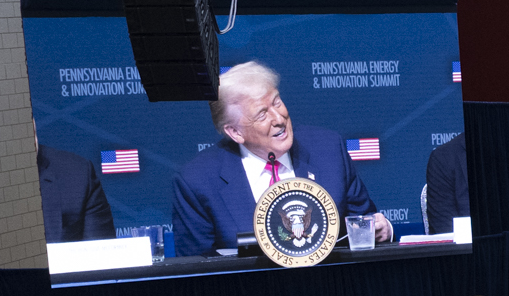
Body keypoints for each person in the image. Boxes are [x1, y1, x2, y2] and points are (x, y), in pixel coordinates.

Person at [169, 61, 397, 257]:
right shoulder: (197, 181)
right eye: (262, 114)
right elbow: (196, 271)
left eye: (276, 102)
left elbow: (364, 223)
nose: (279, 118)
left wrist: (381, 229)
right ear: (235, 132)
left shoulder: (328, 149)